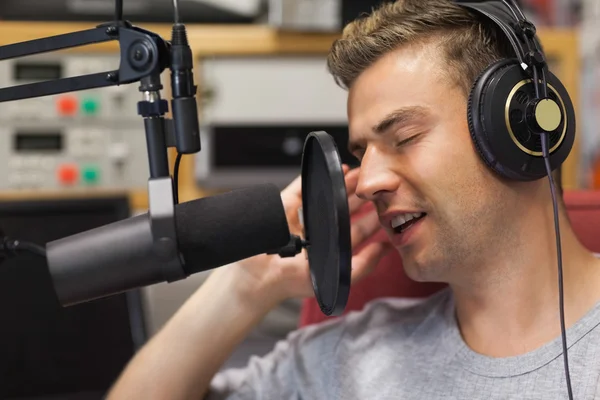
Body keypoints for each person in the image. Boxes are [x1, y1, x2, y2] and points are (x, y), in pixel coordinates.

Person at [107, 0, 600, 398]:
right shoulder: (347, 359)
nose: (367, 183)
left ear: (516, 126)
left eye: (404, 137)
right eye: (362, 154)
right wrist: (245, 286)